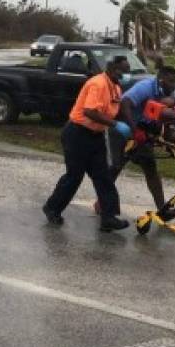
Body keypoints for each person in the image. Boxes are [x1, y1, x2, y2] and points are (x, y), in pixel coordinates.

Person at [42, 56, 132, 231]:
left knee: (103, 176)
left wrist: (128, 125)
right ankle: (52, 208)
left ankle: (109, 217)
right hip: (77, 133)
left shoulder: (115, 87)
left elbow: (113, 110)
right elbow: (89, 111)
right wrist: (114, 125)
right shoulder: (97, 84)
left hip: (96, 135)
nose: (126, 74)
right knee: (74, 175)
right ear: (113, 69)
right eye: (124, 70)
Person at [97, 66, 175, 217]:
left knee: (151, 169)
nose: (174, 85)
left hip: (142, 132)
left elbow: (162, 112)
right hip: (122, 128)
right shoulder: (145, 86)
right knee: (115, 168)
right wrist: (134, 130)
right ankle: (101, 204)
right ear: (161, 80)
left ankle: (162, 209)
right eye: (171, 81)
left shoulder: (169, 92)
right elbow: (125, 103)